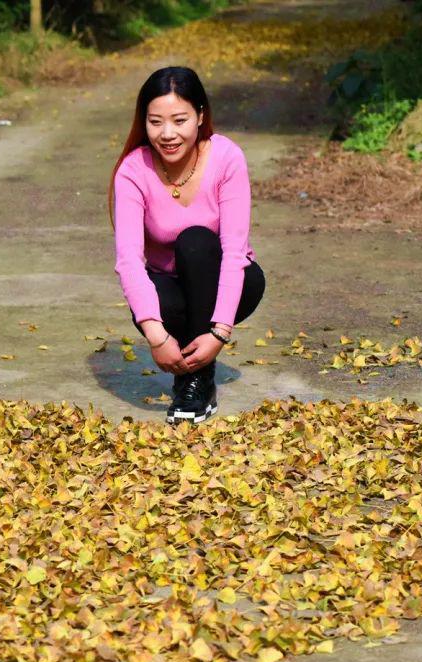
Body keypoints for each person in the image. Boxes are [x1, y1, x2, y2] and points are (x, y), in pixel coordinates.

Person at [108, 66, 266, 425]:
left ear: (200, 115)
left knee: (195, 240)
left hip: (233, 280)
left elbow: (234, 252)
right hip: (171, 294)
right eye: (155, 122)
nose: (167, 134)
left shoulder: (226, 158)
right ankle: (191, 370)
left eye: (179, 120)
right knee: (152, 296)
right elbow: (130, 262)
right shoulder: (133, 171)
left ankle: (196, 381)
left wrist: (219, 333)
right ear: (143, 122)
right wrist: (156, 336)